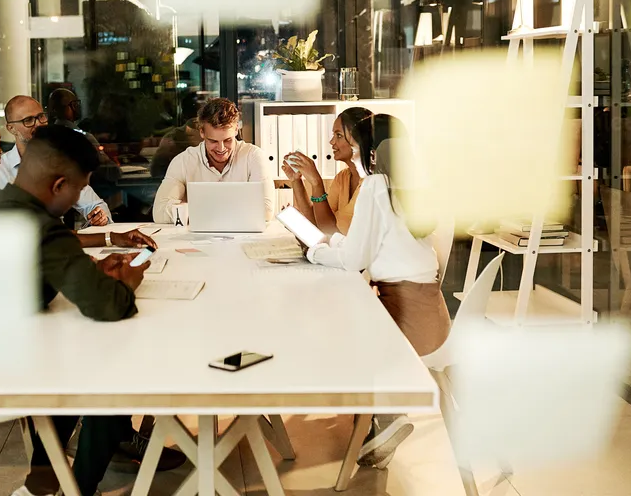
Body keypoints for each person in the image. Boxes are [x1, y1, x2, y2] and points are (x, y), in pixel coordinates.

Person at [0, 126, 179, 496]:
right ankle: (77, 489)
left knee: (79, 367)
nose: (77, 200)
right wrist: (128, 281)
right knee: (111, 381)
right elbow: (109, 306)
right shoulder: (42, 228)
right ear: (58, 186)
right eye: (78, 190)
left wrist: (86, 272)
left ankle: (44, 481)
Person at [305, 114, 450, 470]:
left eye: (353, 145)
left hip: (406, 321)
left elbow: (356, 259)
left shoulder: (375, 186)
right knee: (353, 325)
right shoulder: (413, 185)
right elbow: (375, 245)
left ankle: (385, 415)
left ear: (369, 152)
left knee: (341, 335)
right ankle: (380, 419)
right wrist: (335, 243)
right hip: (432, 312)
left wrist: (314, 251)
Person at [0, 95, 113, 228]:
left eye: (41, 117)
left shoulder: (60, 162)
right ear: (11, 128)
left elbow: (95, 205)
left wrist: (98, 217)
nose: (38, 124)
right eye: (29, 120)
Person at [152, 97, 274, 223]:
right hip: (195, 241)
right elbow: (160, 212)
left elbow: (266, 211)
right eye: (213, 141)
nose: (221, 149)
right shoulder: (183, 161)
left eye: (227, 140)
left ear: (236, 129)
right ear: (202, 133)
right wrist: (238, 211)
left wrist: (191, 211)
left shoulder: (254, 157)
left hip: (244, 240)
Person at [281, 107, 372, 235]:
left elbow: (329, 231)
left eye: (338, 135)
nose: (332, 142)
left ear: (359, 140)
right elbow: (317, 223)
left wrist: (317, 183)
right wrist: (296, 180)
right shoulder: (343, 177)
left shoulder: (371, 183)